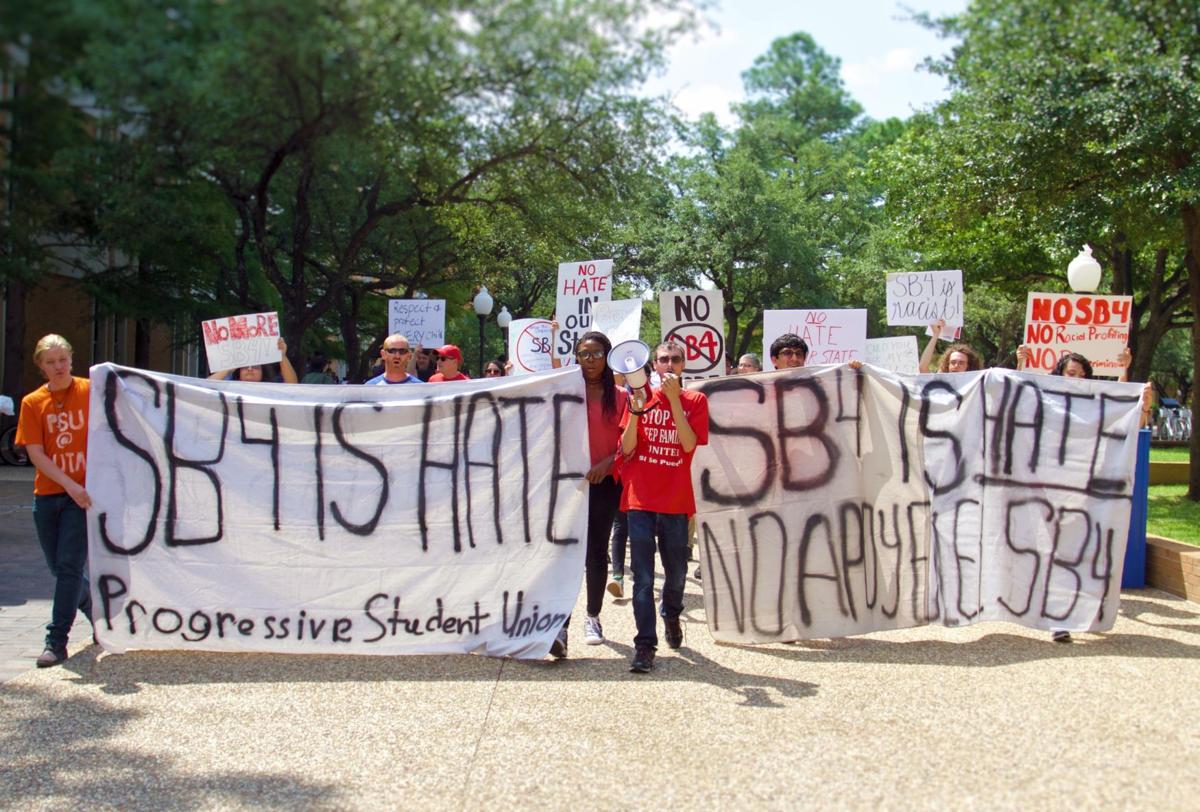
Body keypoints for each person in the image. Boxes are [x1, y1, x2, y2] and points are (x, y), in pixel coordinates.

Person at [617, 340, 709, 673]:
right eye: (663, 359)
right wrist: (636, 414)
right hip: (640, 500)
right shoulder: (638, 399)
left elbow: (688, 445)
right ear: (653, 365)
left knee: (677, 575)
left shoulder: (695, 400)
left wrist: (673, 401)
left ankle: (671, 613)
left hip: (675, 503)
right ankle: (644, 645)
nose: (669, 364)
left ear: (684, 365)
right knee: (642, 578)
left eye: (675, 359)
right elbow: (626, 448)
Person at [15, 335, 94, 668]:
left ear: (72, 359)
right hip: (48, 496)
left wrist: (80, 488)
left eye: (63, 359)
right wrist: (68, 485)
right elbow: (36, 453)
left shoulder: (91, 390)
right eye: (51, 362)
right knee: (59, 569)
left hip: (83, 497)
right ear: (41, 366)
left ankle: (56, 642)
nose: (58, 367)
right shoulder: (33, 402)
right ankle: (97, 609)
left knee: (68, 568)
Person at [550, 332, 628, 657]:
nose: (590, 360)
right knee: (564, 554)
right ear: (576, 357)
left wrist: (608, 462)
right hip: (570, 483)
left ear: (607, 357)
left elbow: (631, 439)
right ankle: (560, 627)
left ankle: (593, 617)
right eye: (584, 354)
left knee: (595, 552)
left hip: (605, 483)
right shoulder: (566, 391)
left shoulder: (622, 396)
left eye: (596, 354)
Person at [208, 338, 299, 383]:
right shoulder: (229, 386)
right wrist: (228, 368)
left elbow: (292, 385)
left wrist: (282, 356)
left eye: (255, 367)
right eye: (244, 366)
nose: (250, 369)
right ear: (238, 371)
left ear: (263, 371)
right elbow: (205, 387)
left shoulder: (271, 388)